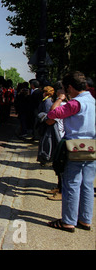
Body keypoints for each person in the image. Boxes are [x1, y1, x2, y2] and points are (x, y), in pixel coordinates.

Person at [47, 71, 95, 232]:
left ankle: (68, 221)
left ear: (70, 87)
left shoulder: (75, 104)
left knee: (71, 184)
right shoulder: (93, 101)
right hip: (92, 145)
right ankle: (85, 219)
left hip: (75, 146)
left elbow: (52, 114)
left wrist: (60, 99)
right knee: (87, 184)